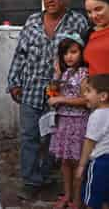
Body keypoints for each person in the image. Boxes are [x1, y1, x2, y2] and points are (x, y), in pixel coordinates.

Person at [7, 0, 88, 200]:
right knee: (29, 136)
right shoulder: (32, 20)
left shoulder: (78, 22)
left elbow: (84, 57)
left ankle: (48, 177)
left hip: (62, 92)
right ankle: (31, 182)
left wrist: (83, 85)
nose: (49, 0)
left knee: (54, 138)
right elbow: (19, 54)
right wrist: (13, 82)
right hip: (30, 89)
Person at [47, 34, 89, 209]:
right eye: (65, 53)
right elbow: (52, 92)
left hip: (78, 123)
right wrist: (56, 75)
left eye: (73, 52)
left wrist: (61, 100)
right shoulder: (64, 73)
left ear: (81, 52)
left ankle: (77, 199)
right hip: (63, 121)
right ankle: (67, 195)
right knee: (65, 161)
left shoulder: (84, 74)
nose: (69, 57)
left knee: (77, 162)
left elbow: (86, 101)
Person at [76, 74, 109, 209]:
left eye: (89, 91)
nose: (84, 94)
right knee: (105, 200)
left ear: (102, 96)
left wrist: (82, 166)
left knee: (92, 201)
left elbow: (89, 143)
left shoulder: (96, 116)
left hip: (99, 164)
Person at [83, 0, 109, 75]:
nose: (93, 16)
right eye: (89, 12)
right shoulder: (89, 33)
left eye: (98, 9)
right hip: (93, 87)